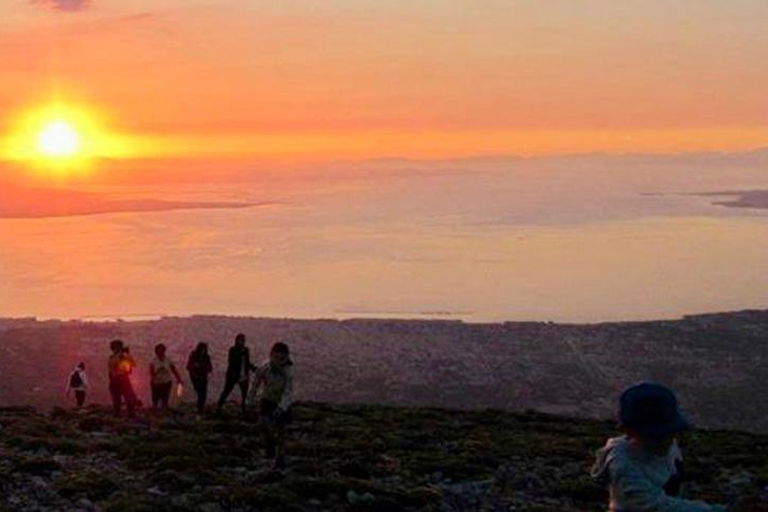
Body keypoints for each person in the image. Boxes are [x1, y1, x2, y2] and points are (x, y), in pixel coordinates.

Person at [591, 383, 727, 512]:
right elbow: (656, 506)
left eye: (669, 433)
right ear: (630, 431)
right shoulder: (623, 466)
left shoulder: (668, 445)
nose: (665, 440)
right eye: (655, 436)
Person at [250, 342, 294, 470]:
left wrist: (281, 408)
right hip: (267, 399)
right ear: (271, 356)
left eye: (282, 358)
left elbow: (288, 392)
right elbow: (255, 383)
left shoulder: (289, 371)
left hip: (281, 402)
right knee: (263, 424)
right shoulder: (265, 367)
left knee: (281, 432)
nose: (278, 361)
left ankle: (280, 457)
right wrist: (250, 399)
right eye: (276, 357)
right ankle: (270, 444)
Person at [217, 333, 256, 414]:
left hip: (243, 374)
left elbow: (247, 362)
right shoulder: (233, 350)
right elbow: (231, 361)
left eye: (243, 340)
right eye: (241, 340)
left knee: (244, 393)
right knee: (227, 390)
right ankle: (219, 405)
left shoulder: (246, 350)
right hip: (233, 375)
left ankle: (243, 408)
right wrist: (240, 354)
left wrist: (254, 369)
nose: (242, 342)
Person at [108, 339, 138, 417]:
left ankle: (130, 412)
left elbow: (131, 367)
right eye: (114, 347)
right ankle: (117, 412)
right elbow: (111, 369)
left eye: (118, 347)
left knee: (127, 396)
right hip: (114, 378)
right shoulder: (111, 357)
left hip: (122, 378)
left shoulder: (124, 356)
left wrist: (126, 357)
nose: (116, 349)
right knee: (116, 397)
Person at [149, 343, 183, 411]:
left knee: (165, 398)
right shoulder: (153, 361)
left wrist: (179, 379)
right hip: (156, 383)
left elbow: (174, 370)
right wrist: (154, 381)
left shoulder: (168, 360)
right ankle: (155, 410)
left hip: (166, 382)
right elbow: (151, 373)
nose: (161, 352)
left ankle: (165, 410)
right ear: (156, 352)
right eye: (159, 351)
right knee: (155, 399)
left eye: (162, 350)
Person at [187, 342, 213, 415]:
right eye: (202, 350)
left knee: (203, 394)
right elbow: (188, 367)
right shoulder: (193, 356)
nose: (203, 351)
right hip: (195, 378)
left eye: (204, 350)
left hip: (203, 378)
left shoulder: (207, 357)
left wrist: (206, 367)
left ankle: (200, 409)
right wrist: (195, 366)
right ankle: (199, 409)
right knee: (200, 393)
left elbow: (210, 368)